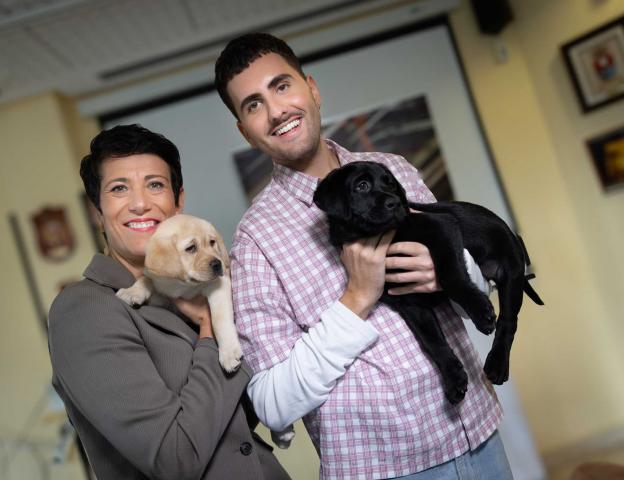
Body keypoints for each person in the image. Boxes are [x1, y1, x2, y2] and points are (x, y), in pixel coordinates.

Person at [214, 33, 513, 479]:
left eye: (282, 86)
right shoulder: (254, 243)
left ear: (312, 89)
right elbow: (272, 405)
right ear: (245, 130)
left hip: (479, 435)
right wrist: (356, 297)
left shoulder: (395, 169)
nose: (276, 111)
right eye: (253, 105)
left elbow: (473, 297)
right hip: (382, 469)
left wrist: (451, 271)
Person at [47, 124, 290, 480]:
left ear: (178, 202)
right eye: (119, 188)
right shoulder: (86, 310)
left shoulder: (192, 291)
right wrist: (211, 330)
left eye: (155, 185)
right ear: (96, 209)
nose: (140, 203)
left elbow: (240, 418)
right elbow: (173, 458)